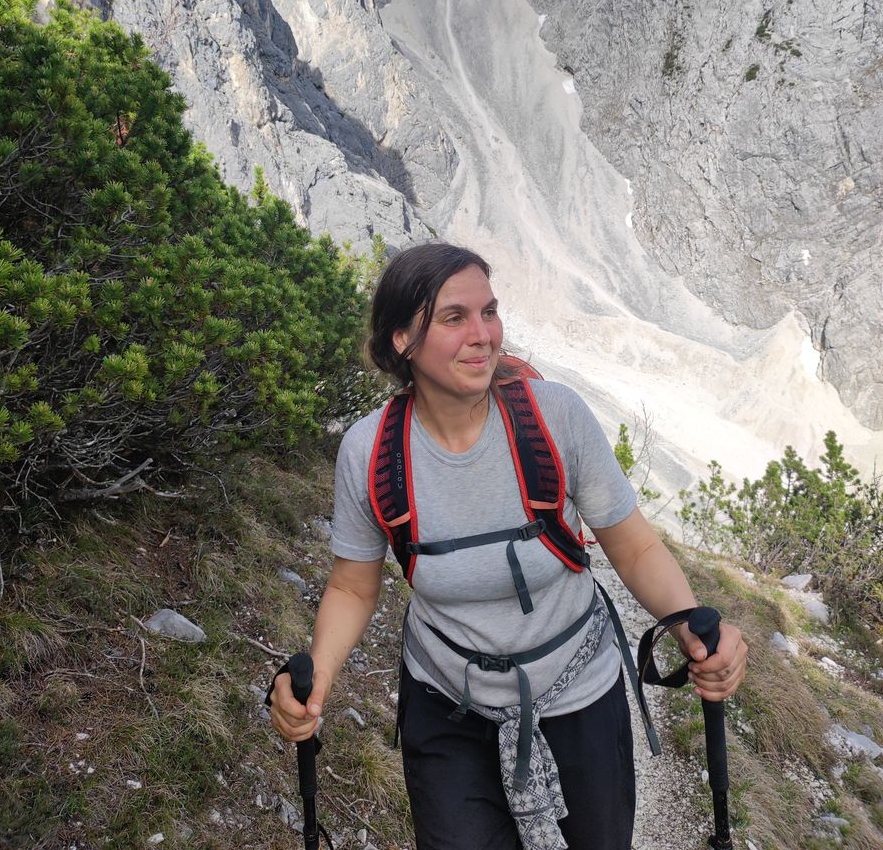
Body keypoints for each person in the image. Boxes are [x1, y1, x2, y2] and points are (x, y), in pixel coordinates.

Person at [270, 243, 747, 850]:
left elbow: (634, 549)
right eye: (454, 317)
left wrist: (689, 626)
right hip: (447, 703)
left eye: (489, 312)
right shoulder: (371, 453)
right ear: (402, 340)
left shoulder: (557, 417)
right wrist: (318, 678)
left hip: (578, 693)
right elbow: (351, 585)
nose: (483, 335)